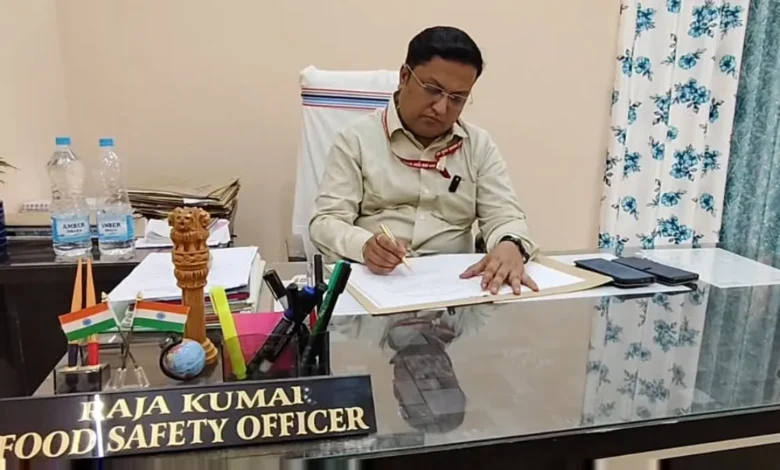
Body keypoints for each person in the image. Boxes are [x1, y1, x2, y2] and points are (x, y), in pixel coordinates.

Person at [309, 26, 538, 295]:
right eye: (432, 90)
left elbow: (505, 215)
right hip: (376, 284)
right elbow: (326, 222)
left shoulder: (478, 146)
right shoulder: (356, 140)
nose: (441, 108)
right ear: (404, 76)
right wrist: (364, 246)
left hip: (455, 292)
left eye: (457, 98)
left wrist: (510, 244)